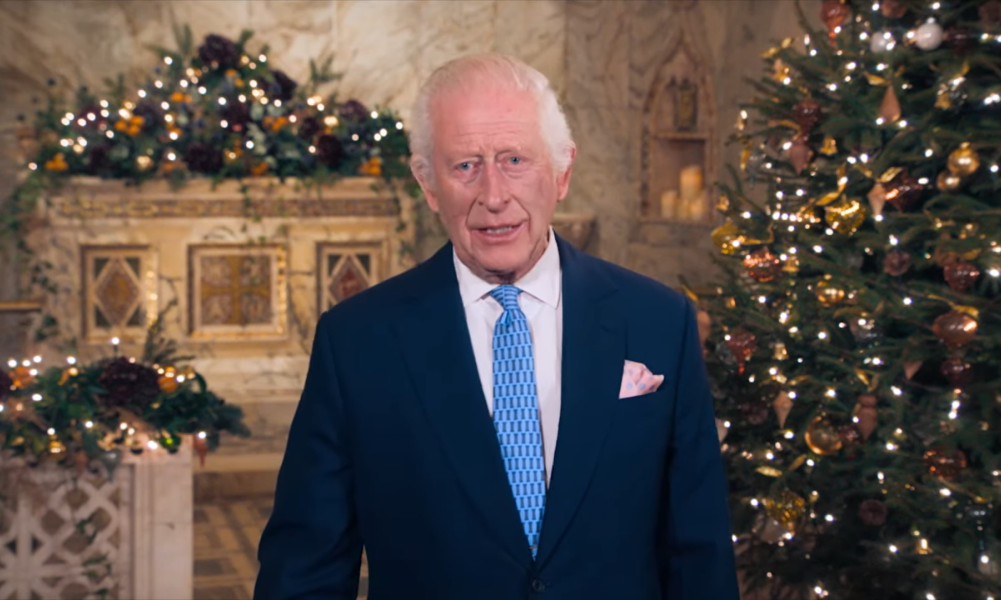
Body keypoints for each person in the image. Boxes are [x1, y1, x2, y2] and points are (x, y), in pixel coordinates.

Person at [255, 53, 738, 600]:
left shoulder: (659, 321)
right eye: (465, 166)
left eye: (514, 159)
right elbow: (305, 568)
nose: (493, 196)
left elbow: (699, 554)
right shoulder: (357, 342)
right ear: (427, 184)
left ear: (562, 173)